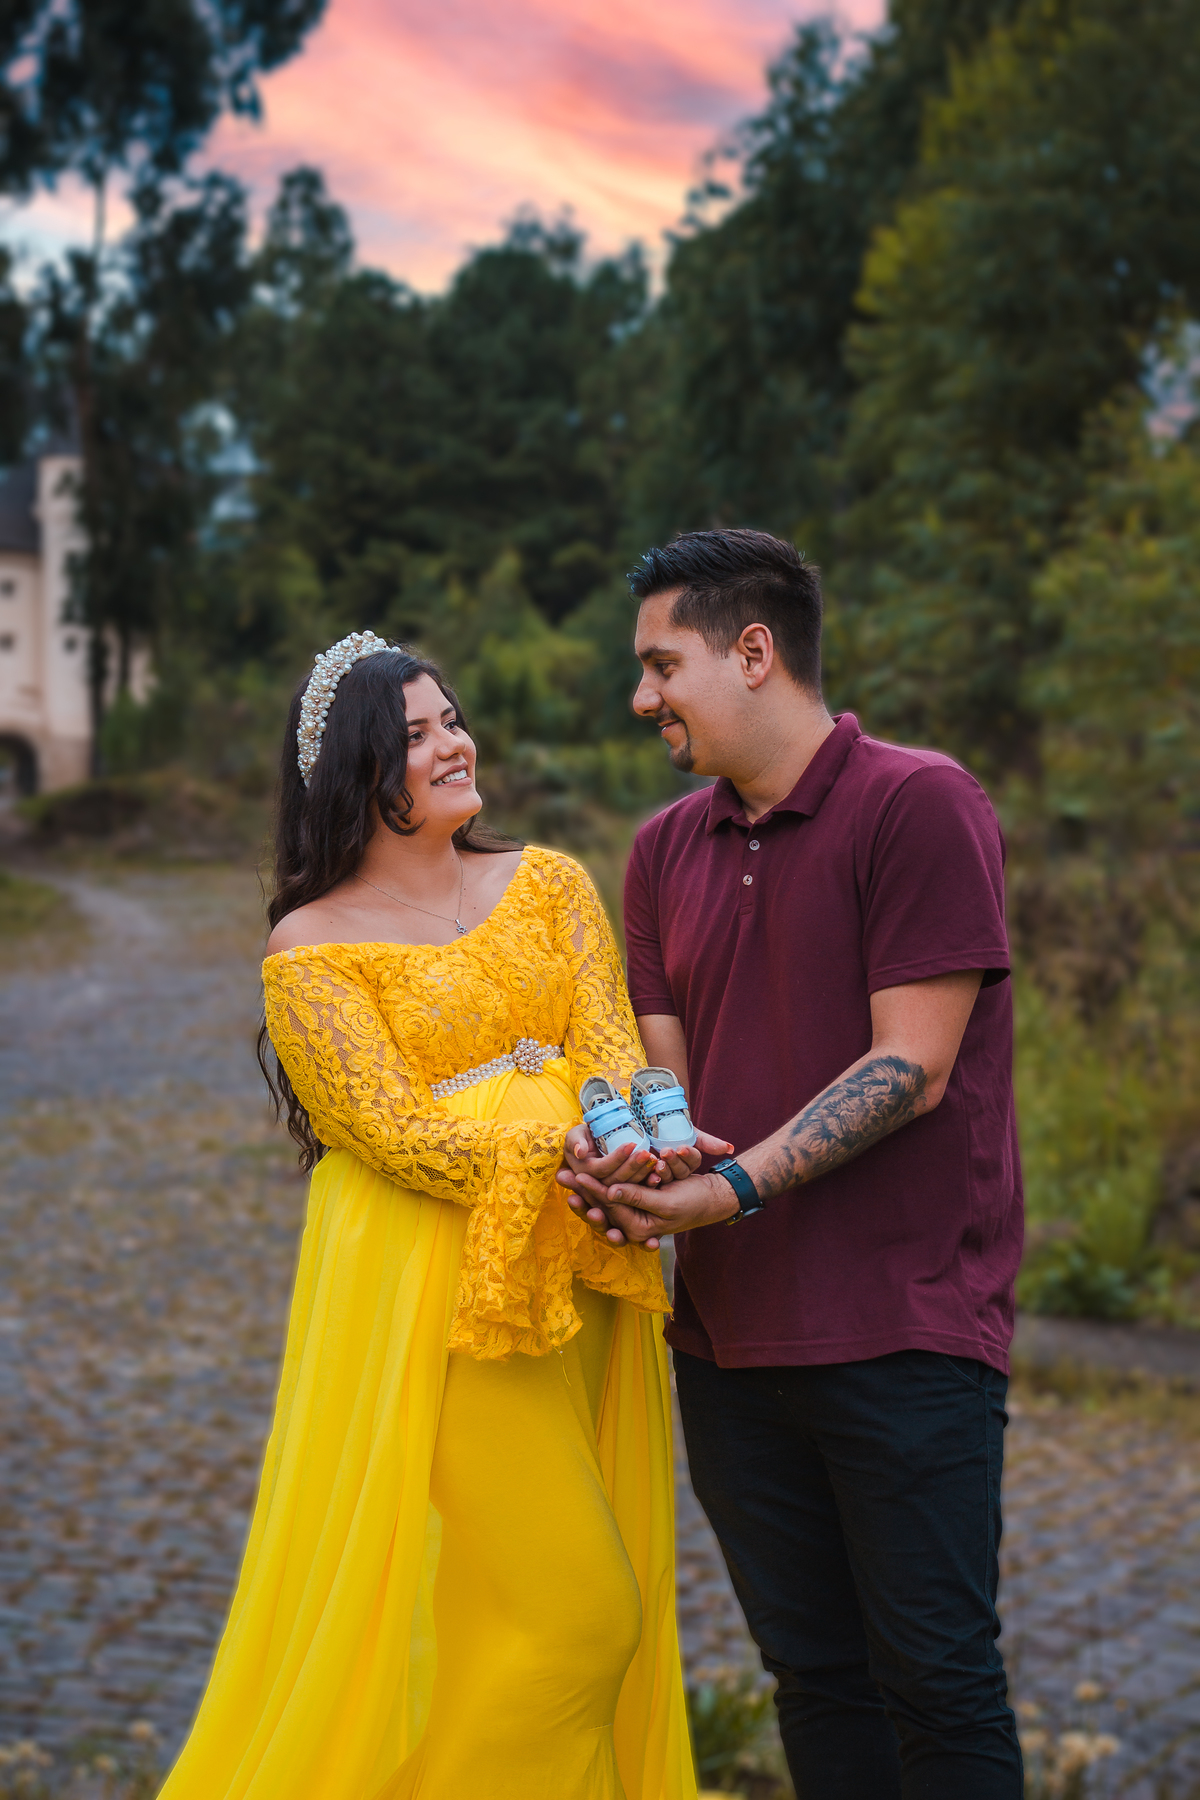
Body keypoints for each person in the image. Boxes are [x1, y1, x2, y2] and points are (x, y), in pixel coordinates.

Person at [158, 632, 715, 1800]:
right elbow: (394, 1134)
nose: (454, 743)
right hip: (443, 1297)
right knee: (582, 1616)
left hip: (583, 1258)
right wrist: (557, 1149)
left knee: (505, 1618)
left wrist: (640, 1148)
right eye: (416, 734)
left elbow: (610, 1049)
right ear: (359, 771)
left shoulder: (550, 883)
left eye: (451, 719)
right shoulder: (312, 949)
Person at [561, 531, 1025, 1799]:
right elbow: (670, 1091)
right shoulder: (661, 850)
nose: (643, 697)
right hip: (728, 1347)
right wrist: (627, 1166)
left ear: (754, 652)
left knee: (938, 1682)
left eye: (663, 665)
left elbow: (911, 1066)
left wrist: (723, 1190)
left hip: (905, 1330)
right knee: (815, 1681)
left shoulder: (920, 803)